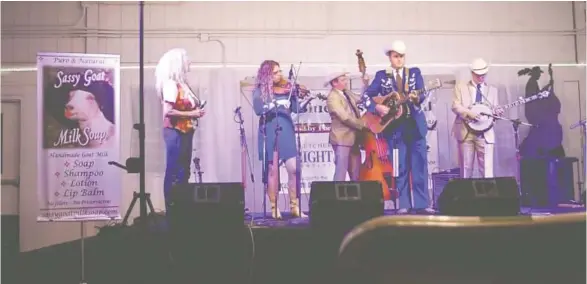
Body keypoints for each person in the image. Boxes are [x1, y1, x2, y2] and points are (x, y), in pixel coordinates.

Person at [363, 40, 434, 214]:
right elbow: (366, 97)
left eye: (402, 56)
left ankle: (421, 204)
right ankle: (404, 204)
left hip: (415, 126)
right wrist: (377, 107)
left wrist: (417, 97)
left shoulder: (414, 73)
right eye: (396, 56)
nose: (399, 59)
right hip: (395, 128)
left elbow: (421, 95)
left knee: (419, 166)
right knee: (401, 166)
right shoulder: (382, 76)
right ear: (390, 58)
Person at [252, 60, 308, 219]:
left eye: (280, 71)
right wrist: (274, 104)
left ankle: (294, 206)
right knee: (272, 171)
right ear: (267, 75)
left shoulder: (287, 89)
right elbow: (258, 110)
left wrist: (299, 98)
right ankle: (274, 207)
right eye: (275, 73)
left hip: (286, 129)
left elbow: (296, 109)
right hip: (269, 130)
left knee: (294, 168)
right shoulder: (260, 91)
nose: (280, 75)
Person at [155, 48, 206, 211]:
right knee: (175, 170)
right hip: (175, 132)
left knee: (184, 170)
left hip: (185, 132)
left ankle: (181, 207)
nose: (189, 62)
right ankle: (172, 208)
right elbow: (167, 111)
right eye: (187, 60)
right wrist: (193, 113)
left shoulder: (183, 84)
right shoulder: (170, 84)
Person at [451, 58, 504, 178]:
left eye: (484, 74)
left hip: (485, 135)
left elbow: (494, 112)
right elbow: (455, 106)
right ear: (472, 73)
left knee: (487, 171)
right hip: (466, 133)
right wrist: (469, 113)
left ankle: (487, 196)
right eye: (479, 75)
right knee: (465, 171)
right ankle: (465, 196)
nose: (481, 77)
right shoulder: (461, 87)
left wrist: (498, 113)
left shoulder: (492, 90)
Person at [325, 71, 369, 181]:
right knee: (341, 172)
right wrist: (363, 124)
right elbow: (344, 117)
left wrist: (365, 84)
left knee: (356, 172)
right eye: (343, 80)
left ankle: (356, 197)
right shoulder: (332, 97)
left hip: (353, 137)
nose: (346, 82)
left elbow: (361, 99)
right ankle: (337, 197)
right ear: (334, 83)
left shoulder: (346, 93)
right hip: (342, 139)